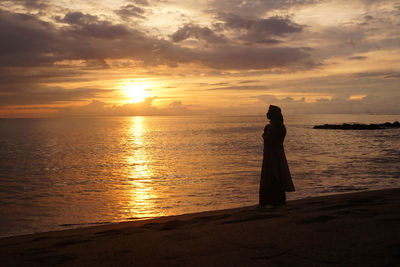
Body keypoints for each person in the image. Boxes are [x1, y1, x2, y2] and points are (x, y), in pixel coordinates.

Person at [259, 105, 295, 207]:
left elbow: (271, 140)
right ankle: (274, 200)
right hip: (272, 154)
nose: (267, 113)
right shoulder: (275, 126)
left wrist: (266, 132)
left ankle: (275, 201)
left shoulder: (277, 126)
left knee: (274, 176)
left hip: (274, 155)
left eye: (269, 111)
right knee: (273, 176)